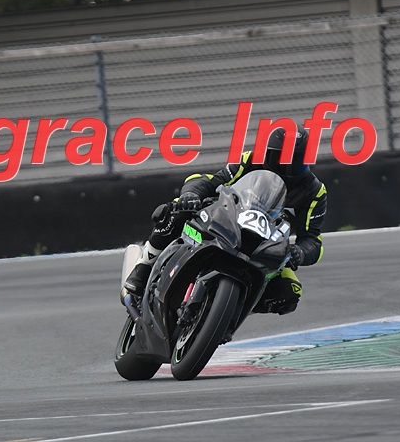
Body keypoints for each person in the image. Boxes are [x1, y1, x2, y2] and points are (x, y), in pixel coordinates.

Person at [123, 123, 327, 315]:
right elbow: (213, 181)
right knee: (175, 210)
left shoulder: (314, 191)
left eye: (295, 159)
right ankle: (143, 268)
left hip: (264, 248)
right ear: (268, 153)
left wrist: (300, 252)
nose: (287, 165)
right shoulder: (250, 160)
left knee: (289, 293)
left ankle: (227, 315)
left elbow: (313, 240)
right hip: (226, 224)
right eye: (281, 157)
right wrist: (191, 195)